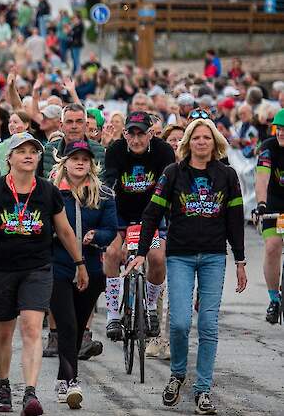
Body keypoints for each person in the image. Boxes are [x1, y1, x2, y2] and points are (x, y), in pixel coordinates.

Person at [129, 117, 246, 416]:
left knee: (208, 325)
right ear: (188, 142)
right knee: (180, 323)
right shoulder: (172, 173)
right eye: (196, 138)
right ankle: (177, 375)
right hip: (179, 255)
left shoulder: (227, 175)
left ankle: (203, 390)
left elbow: (235, 222)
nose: (202, 142)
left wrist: (241, 260)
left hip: (213, 257)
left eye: (207, 137)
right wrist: (142, 252)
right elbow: (152, 213)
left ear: (215, 142)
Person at [0, 132, 88, 415]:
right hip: (0, 269)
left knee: (31, 327)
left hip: (37, 268)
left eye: (33, 151)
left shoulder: (48, 191)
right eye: (21, 151)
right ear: (9, 158)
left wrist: (80, 263)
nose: (28, 155)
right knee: (4, 332)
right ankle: (4, 386)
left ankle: (30, 392)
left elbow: (64, 230)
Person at [49, 140, 117, 409]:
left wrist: (96, 236)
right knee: (66, 323)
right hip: (58, 265)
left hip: (90, 267)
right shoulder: (52, 193)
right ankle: (72, 380)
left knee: (76, 325)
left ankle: (62, 377)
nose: (80, 162)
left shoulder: (103, 194)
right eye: (74, 158)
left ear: (91, 164)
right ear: (64, 162)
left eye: (85, 159)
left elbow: (111, 229)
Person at [102, 111, 176, 341]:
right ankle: (113, 313)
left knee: (156, 258)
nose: (135, 140)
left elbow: (169, 184)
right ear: (124, 133)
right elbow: (109, 179)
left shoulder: (164, 151)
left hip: (152, 216)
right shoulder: (115, 150)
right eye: (130, 134)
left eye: (141, 134)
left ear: (150, 134)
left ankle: (151, 306)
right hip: (121, 215)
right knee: (112, 253)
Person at [254, 109, 284, 323]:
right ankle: (274, 299)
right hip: (274, 202)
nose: (281, 133)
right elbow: (262, 177)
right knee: (273, 246)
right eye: (278, 129)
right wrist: (261, 204)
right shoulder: (268, 147)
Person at [39, 103, 105, 179]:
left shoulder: (98, 150)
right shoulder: (49, 149)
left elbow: (101, 184)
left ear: (86, 125)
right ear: (61, 126)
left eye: (79, 122)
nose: (74, 126)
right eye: (69, 122)